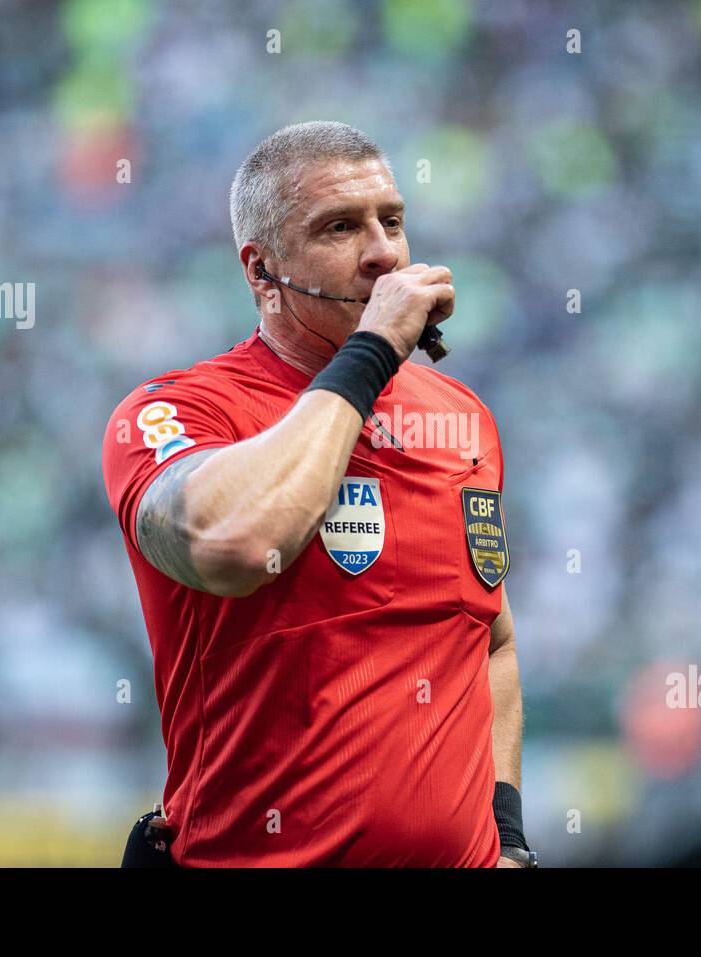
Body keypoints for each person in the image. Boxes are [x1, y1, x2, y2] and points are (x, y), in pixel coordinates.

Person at [102, 121, 534, 867]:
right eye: (341, 227)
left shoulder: (463, 419)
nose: (383, 253)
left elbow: (489, 640)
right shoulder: (177, 413)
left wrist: (510, 837)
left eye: (391, 221)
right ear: (262, 271)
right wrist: (370, 354)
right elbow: (238, 546)